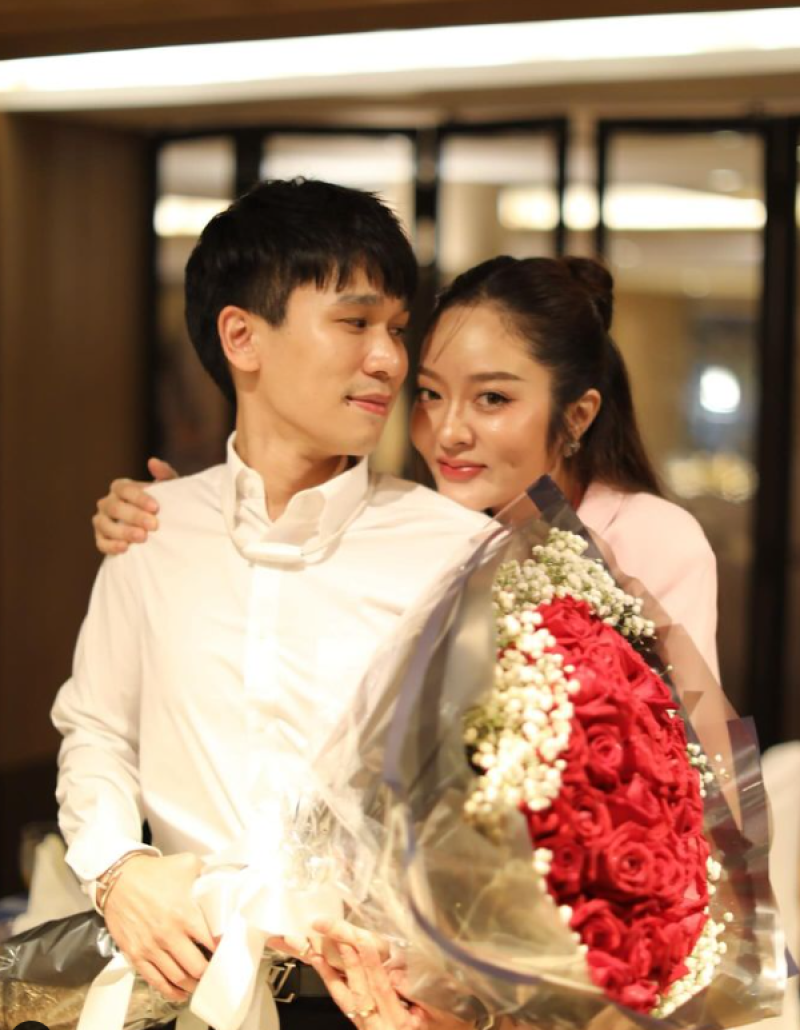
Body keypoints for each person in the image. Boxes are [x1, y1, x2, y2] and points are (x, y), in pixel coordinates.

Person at [52, 177, 490, 1030]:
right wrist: (116, 868)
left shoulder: (456, 552)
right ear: (242, 337)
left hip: (382, 1007)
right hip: (183, 989)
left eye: (398, 330)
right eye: (356, 323)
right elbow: (97, 728)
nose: (389, 360)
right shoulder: (153, 529)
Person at [96, 255, 717, 674]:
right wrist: (193, 522)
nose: (447, 433)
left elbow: (691, 763)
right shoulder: (404, 522)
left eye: (492, 399)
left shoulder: (652, 539)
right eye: (430, 394)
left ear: (577, 415)